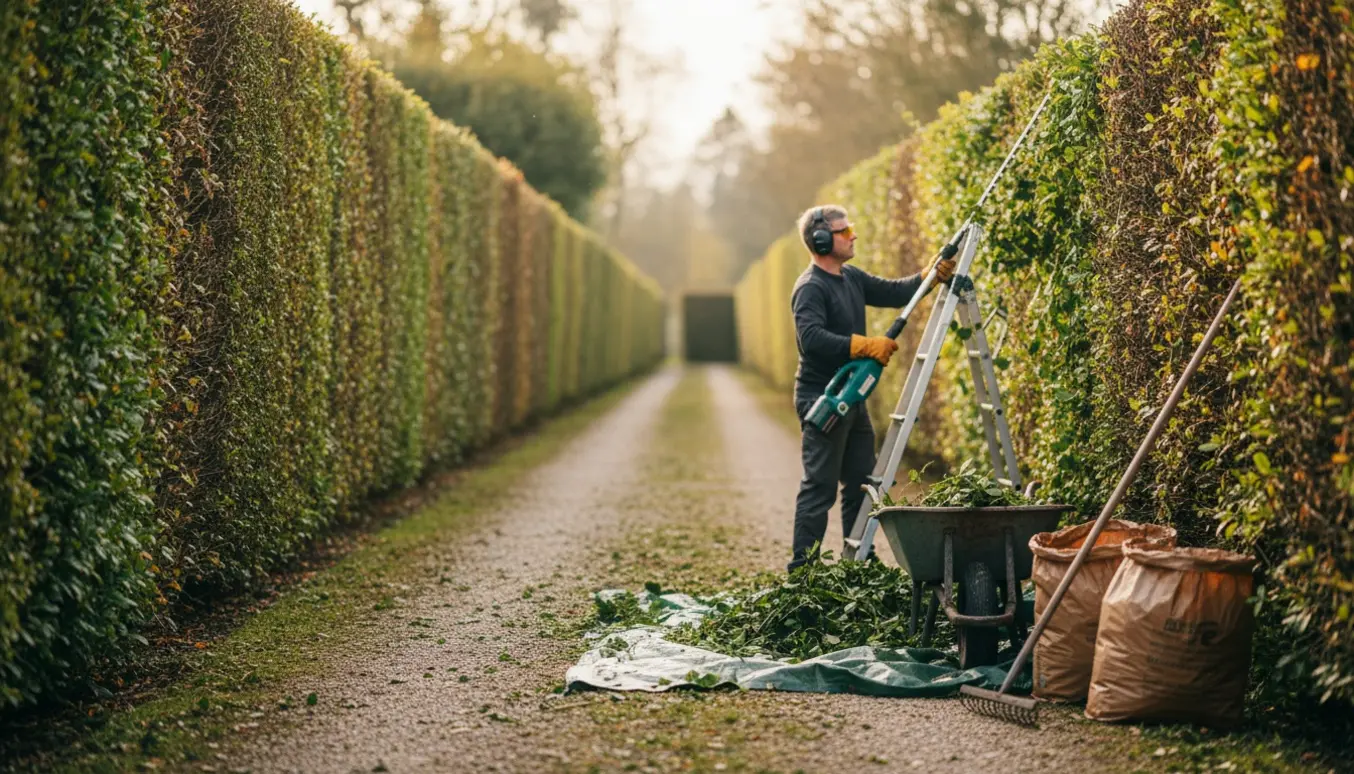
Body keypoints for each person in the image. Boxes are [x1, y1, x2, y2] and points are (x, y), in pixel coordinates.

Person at [787, 204, 955, 571]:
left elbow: (895, 292)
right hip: (825, 400)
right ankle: (803, 574)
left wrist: (929, 276)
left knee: (861, 485)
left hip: (852, 397)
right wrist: (864, 345)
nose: (853, 235)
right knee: (819, 489)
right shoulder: (810, 288)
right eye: (844, 231)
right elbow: (811, 338)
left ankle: (858, 562)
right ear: (821, 240)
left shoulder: (850, 278)